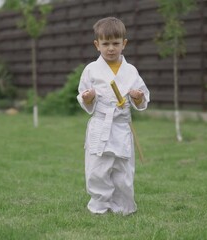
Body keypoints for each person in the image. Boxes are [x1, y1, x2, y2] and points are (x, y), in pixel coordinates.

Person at [77, 17, 150, 215]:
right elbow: (83, 95)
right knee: (97, 168)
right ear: (97, 45)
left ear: (124, 44)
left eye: (116, 43)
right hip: (100, 124)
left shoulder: (131, 71)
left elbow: (142, 99)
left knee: (123, 170)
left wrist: (137, 97)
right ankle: (100, 205)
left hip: (120, 126)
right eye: (106, 44)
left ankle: (123, 206)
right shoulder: (91, 70)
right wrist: (88, 97)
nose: (111, 48)